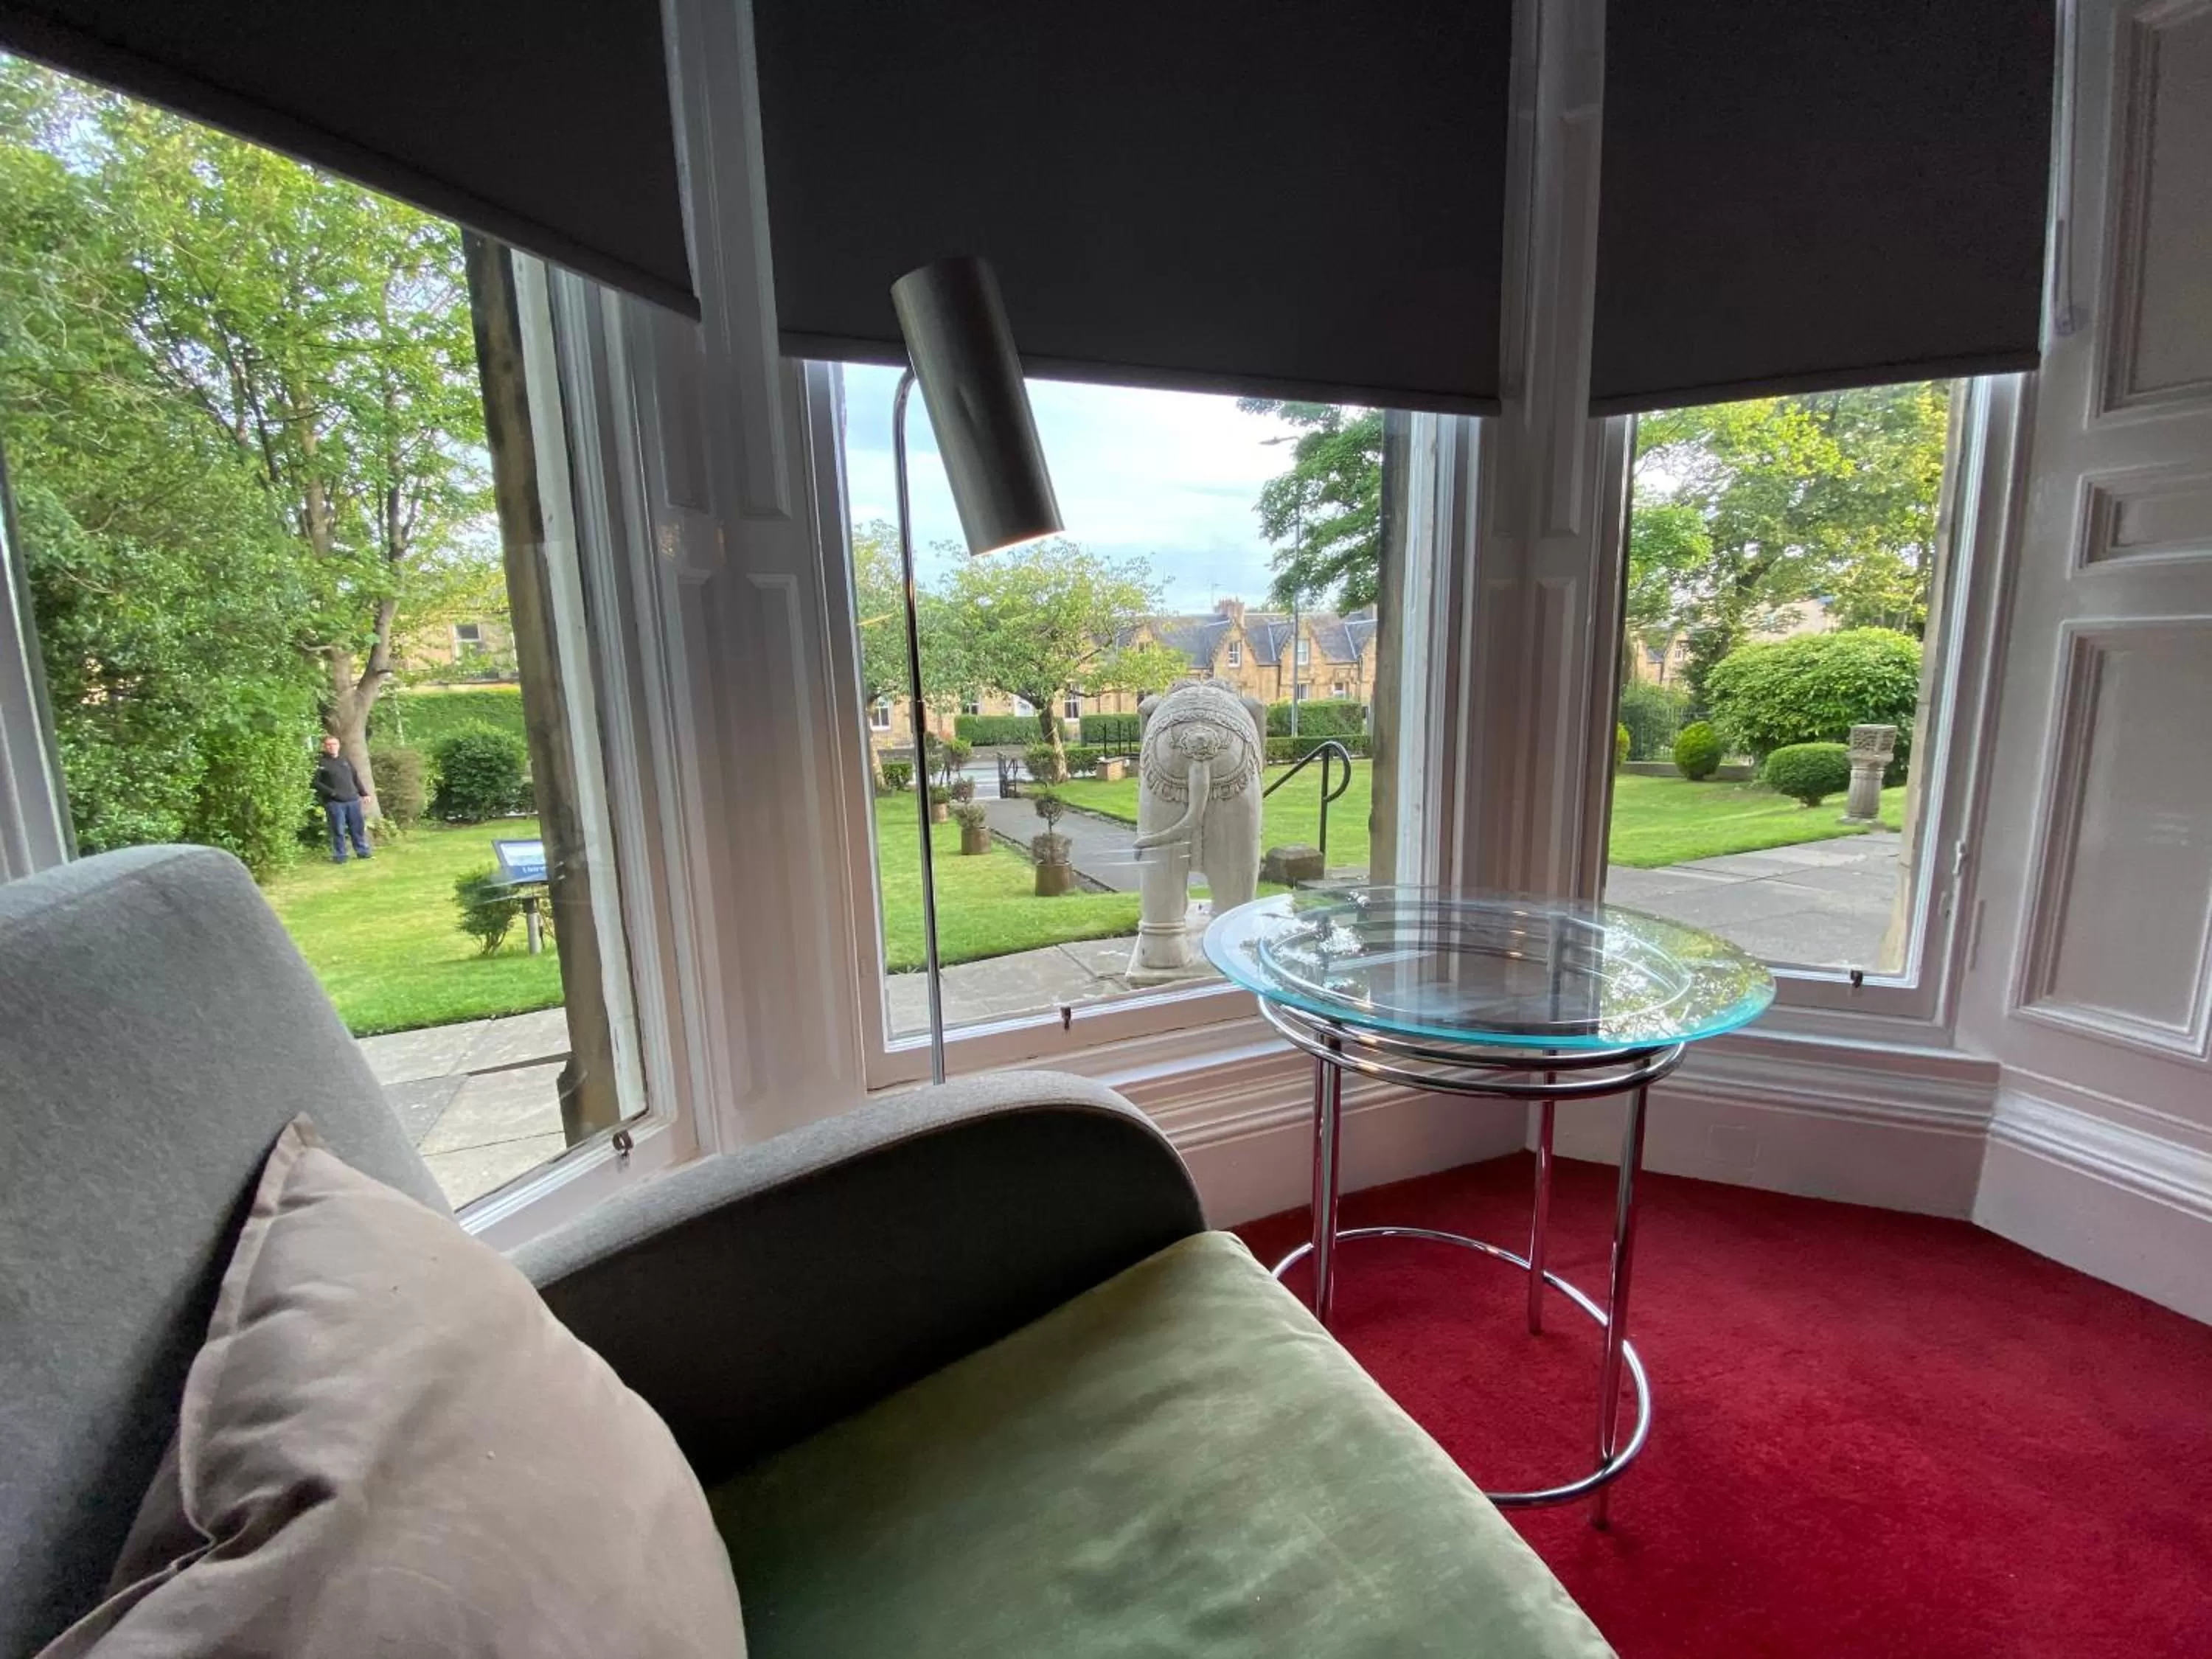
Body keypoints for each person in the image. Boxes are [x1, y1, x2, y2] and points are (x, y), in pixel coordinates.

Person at [312, 736, 373, 864]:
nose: (331, 747)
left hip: (353, 800)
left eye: (334, 744)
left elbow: (355, 778)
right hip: (334, 803)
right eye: (328, 745)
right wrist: (332, 793)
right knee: (338, 830)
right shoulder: (320, 762)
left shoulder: (345, 760)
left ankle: (362, 851)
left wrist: (364, 793)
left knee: (357, 828)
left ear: (338, 746)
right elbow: (315, 782)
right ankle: (340, 856)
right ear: (325, 747)